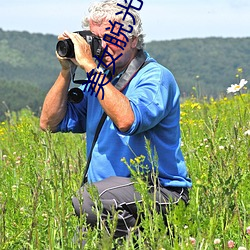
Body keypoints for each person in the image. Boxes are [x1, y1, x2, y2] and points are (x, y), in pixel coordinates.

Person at [40, 0, 192, 244]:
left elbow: (127, 120)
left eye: (109, 38)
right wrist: (66, 71)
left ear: (133, 40)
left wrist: (90, 66)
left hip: (159, 192)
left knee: (88, 200)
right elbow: (49, 123)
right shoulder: (99, 81)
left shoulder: (154, 77)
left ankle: (147, 241)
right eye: (94, 37)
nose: (100, 46)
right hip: (109, 199)